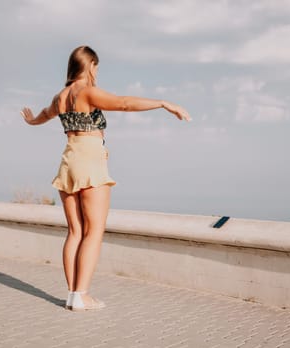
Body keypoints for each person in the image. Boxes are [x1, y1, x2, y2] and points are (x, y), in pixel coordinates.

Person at [21, 45, 190, 311]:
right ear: (89, 65)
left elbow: (44, 114)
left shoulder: (60, 97)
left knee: (75, 232)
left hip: (68, 160)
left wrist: (31, 121)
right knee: (94, 231)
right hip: (89, 160)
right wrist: (163, 103)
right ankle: (82, 295)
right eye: (96, 66)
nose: (97, 72)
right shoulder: (86, 91)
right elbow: (123, 103)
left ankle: (72, 294)